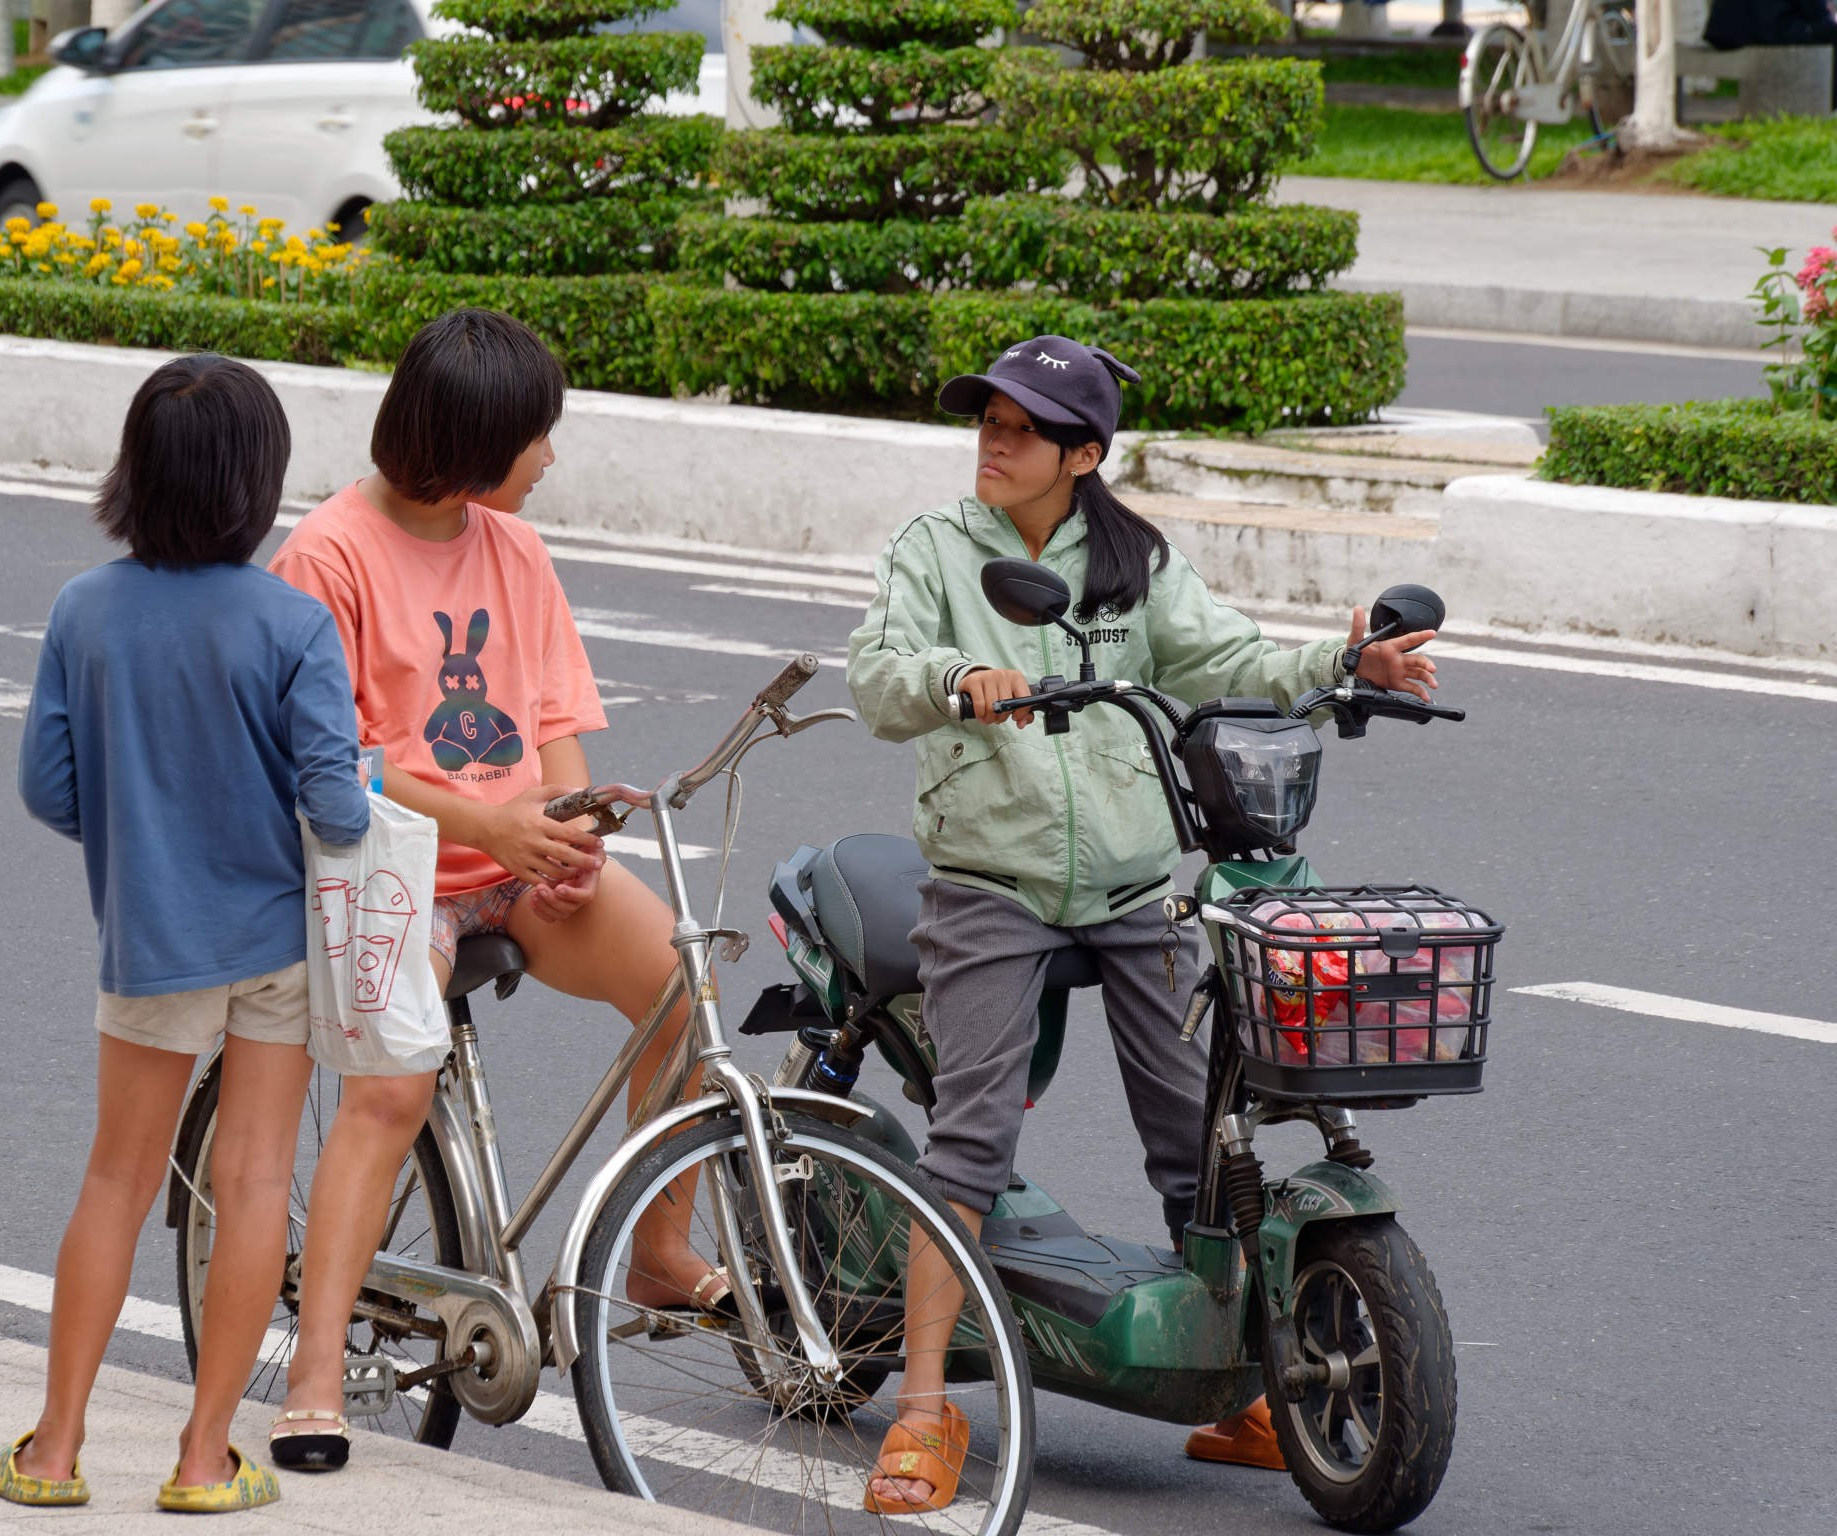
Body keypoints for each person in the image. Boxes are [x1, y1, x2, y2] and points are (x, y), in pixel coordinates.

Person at [847, 336, 1439, 1512]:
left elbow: (1227, 655)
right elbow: (875, 673)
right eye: (985, 420)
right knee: (969, 1144)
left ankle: (1240, 1396)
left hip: (1124, 887)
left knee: (1202, 1134)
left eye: (1018, 427)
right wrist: (956, 678)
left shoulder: (1130, 559)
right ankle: (920, 1410)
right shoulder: (933, 549)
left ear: (1081, 453)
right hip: (988, 880)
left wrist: (1347, 658)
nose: (991, 440)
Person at [262, 308, 720, 1471]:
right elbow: (342, 768)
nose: (549, 458)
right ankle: (316, 1373)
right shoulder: (328, 554)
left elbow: (555, 717)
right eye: (535, 437)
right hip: (390, 873)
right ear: (468, 441)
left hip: (514, 862)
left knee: (682, 982)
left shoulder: (512, 547)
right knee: (388, 1087)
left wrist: (570, 839)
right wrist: (493, 830)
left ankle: (659, 1251)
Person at [0, 355, 370, 1514]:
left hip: (151, 938)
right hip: (276, 945)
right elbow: (340, 813)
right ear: (258, 484)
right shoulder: (293, 623)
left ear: (133, 470)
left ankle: (52, 1452)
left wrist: (141, 827)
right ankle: (205, 1460)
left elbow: (49, 789)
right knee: (253, 1181)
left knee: (116, 1176)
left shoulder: (84, 610)